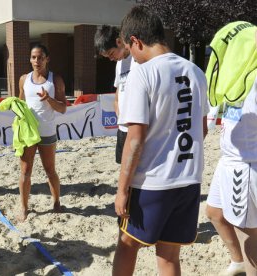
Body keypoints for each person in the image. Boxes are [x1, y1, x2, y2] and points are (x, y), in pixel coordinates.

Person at [113, 6, 209, 275]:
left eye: (129, 49)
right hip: (189, 179)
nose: (131, 56)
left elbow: (135, 138)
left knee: (127, 243)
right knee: (168, 257)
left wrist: (121, 190)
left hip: (153, 182)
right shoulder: (195, 72)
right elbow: (202, 130)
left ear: (136, 41)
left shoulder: (142, 73)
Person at [205, 21, 257, 276]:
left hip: (245, 164)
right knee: (214, 212)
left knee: (249, 238)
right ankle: (238, 262)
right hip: (229, 158)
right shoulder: (238, 76)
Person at [17, 44, 67, 221]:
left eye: (40, 57)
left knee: (50, 170)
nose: (36, 61)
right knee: (25, 171)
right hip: (28, 133)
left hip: (47, 132)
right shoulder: (24, 79)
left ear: (47, 59)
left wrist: (49, 99)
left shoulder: (55, 80)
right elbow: (20, 104)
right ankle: (23, 207)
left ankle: (56, 202)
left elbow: (62, 109)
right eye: (33, 57)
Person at [94, 25, 137, 164]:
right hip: (122, 128)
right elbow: (119, 92)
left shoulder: (138, 60)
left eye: (111, 54)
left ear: (119, 42)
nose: (111, 59)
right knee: (124, 169)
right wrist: (118, 109)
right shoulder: (119, 64)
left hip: (137, 128)